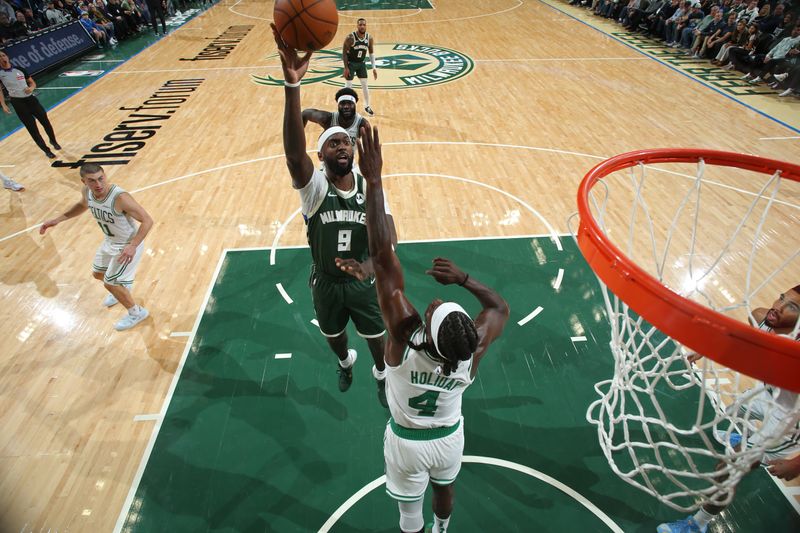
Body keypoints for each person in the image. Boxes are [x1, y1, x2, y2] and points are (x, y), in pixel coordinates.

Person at [356, 123, 509, 533]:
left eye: (435, 308)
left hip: (407, 442)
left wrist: (373, 180)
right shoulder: (469, 353)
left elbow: (380, 255)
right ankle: (442, 529)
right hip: (448, 439)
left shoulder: (402, 340)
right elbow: (498, 307)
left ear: (426, 324)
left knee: (409, 512)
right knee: (445, 487)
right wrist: (465, 280)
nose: (435, 301)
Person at [271, 23, 395, 407]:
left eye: (347, 141)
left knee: (378, 338)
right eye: (333, 142)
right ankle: (345, 362)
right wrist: (293, 87)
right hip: (325, 282)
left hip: (361, 281)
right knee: (335, 336)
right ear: (321, 155)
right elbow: (294, 154)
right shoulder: (315, 189)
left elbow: (388, 235)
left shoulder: (368, 183)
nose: (343, 145)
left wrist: (372, 266)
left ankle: (380, 374)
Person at [657, 286, 800, 533]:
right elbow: (742, 337)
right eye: (782, 297)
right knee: (736, 409)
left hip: (789, 419)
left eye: (792, 307)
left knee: (728, 468)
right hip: (770, 393)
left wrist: (797, 464)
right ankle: (747, 441)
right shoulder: (765, 318)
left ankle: (697, 524)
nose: (778, 306)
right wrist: (709, 349)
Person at [39, 163, 152, 331]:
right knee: (98, 274)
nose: (98, 184)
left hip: (127, 245)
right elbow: (82, 205)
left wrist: (133, 245)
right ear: (84, 182)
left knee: (110, 283)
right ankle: (122, 289)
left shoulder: (120, 197)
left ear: (105, 176)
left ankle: (137, 312)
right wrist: (58, 219)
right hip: (109, 241)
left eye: (101, 178)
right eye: (92, 181)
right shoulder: (87, 192)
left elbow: (148, 220)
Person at [0, 51, 61, 158]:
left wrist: (31, 88)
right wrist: (4, 105)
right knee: (32, 128)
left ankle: (53, 141)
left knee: (45, 122)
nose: (2, 58)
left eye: (3, 55)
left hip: (31, 100)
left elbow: (32, 82)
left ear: (7, 57)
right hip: (18, 102)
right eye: (0, 57)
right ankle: (46, 150)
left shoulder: (19, 69)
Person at [302, 87, 370, 147]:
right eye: (342, 103)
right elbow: (305, 113)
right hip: (329, 160)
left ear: (355, 105)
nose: (346, 106)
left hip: (349, 160)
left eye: (350, 103)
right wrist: (297, 139)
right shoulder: (327, 119)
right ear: (338, 105)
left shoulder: (363, 124)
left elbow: (368, 150)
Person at [342, 17, 377, 116]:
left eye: (363, 24)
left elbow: (371, 53)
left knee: (365, 85)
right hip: (351, 63)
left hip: (361, 63)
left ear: (366, 26)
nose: (362, 26)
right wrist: (346, 67)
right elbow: (344, 53)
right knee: (349, 85)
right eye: (360, 24)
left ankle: (367, 106)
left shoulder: (369, 38)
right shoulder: (350, 38)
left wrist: (374, 68)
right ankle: (346, 107)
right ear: (357, 26)